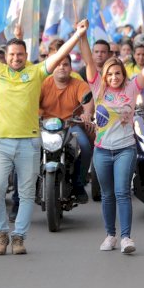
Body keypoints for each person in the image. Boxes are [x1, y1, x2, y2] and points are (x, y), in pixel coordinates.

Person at [0, 8, 86, 255]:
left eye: (20, 54)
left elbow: (59, 55)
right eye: (12, 54)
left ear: (25, 56)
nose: (16, 58)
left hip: (29, 142)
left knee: (26, 193)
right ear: (7, 56)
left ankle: (19, 237)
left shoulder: (36, 72)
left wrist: (77, 35)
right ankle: (1, 233)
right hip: (1, 142)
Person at [80, 21, 144, 254]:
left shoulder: (132, 88)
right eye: (110, 74)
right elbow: (88, 60)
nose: (114, 77)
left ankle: (126, 238)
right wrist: (81, 35)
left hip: (125, 149)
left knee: (122, 192)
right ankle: (110, 235)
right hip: (102, 150)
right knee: (107, 195)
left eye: (117, 73)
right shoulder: (97, 88)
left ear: (123, 74)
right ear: (104, 76)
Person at [39, 54, 94, 203]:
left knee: (85, 147)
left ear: (70, 68)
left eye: (65, 64)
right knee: (29, 148)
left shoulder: (78, 84)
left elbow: (88, 102)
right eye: (58, 64)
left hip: (71, 126)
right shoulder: (43, 83)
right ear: (52, 67)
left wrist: (87, 114)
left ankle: (78, 183)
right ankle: (30, 184)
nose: (61, 67)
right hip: (44, 128)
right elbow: (31, 101)